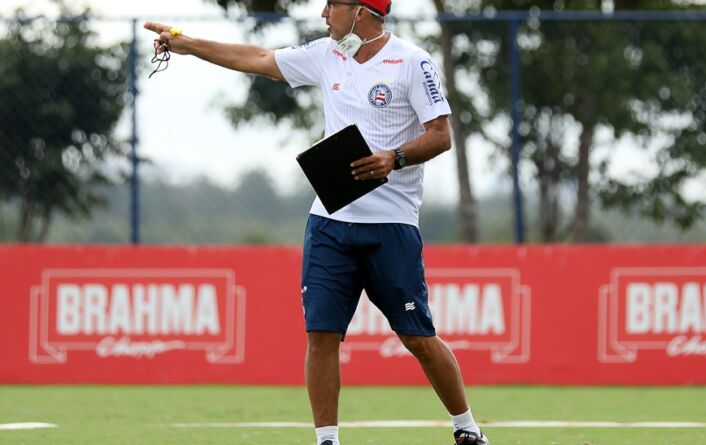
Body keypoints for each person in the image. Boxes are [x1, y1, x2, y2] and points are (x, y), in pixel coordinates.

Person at [144, 1, 488, 444]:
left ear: (361, 10)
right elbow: (259, 59)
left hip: (392, 227)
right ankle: (327, 439)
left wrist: (393, 157)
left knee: (418, 337)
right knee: (321, 335)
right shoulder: (329, 55)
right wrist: (187, 44)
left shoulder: (412, 60)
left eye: (333, 5)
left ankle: (467, 429)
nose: (325, 14)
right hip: (329, 224)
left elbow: (441, 134)